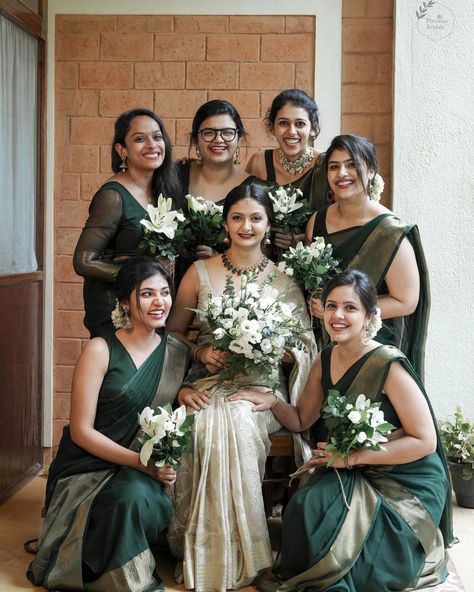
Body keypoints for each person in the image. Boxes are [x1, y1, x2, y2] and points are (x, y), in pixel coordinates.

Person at [230, 269, 453, 592]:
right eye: (331, 306)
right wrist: (271, 400)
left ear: (369, 316)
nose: (338, 315)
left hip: (405, 478)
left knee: (351, 538)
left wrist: (351, 458)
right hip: (353, 465)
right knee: (308, 504)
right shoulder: (325, 358)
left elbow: (425, 441)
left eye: (350, 308)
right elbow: (301, 420)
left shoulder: (387, 364)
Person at [166, 183, 316, 592]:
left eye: (255, 218)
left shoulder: (284, 278)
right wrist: (200, 356)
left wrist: (266, 344)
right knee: (197, 426)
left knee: (236, 421)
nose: (246, 226)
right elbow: (174, 335)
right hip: (211, 383)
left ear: (268, 225)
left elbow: (305, 345)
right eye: (237, 217)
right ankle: (206, 550)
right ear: (225, 223)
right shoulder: (199, 273)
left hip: (263, 390)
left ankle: (244, 552)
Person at [27, 256, 189, 592]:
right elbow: (82, 431)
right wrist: (140, 463)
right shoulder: (100, 350)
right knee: (123, 498)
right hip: (88, 465)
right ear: (126, 303)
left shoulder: (175, 352)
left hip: (142, 469)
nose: (159, 302)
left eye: (164, 292)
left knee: (136, 498)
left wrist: (186, 391)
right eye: (146, 294)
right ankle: (104, 576)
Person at [306, 134, 429, 377]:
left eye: (352, 165)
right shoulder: (317, 221)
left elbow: (406, 302)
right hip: (322, 341)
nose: (342, 173)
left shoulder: (389, 232)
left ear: (371, 171)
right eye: (334, 166)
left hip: (371, 345)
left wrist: (340, 311)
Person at [73, 108, 183, 339]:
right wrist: (141, 275)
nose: (152, 145)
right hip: (115, 309)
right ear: (122, 150)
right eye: (140, 139)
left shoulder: (160, 191)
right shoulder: (113, 196)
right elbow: (83, 261)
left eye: (157, 136)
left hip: (148, 306)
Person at [246, 89, 330, 251]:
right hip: (264, 259)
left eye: (300, 124)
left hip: (314, 261)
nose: (291, 131)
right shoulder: (259, 162)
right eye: (283, 123)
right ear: (272, 127)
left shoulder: (327, 165)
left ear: (312, 128)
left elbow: (342, 217)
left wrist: (300, 239)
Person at [178, 98, 255, 261]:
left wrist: (220, 259)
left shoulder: (254, 188)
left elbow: (261, 255)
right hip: (167, 281)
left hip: (227, 282)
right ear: (195, 139)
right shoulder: (176, 176)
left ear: (238, 138)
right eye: (208, 132)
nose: (218, 139)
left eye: (227, 132)